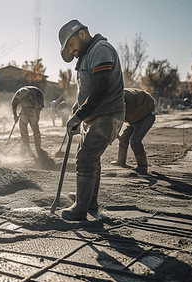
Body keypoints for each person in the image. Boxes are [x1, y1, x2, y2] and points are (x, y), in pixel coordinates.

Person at [58, 19, 125, 221]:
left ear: (82, 33)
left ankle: (80, 208)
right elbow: (88, 90)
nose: (72, 51)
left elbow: (100, 88)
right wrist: (77, 109)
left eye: (71, 45)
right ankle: (89, 201)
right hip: (94, 116)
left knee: (86, 157)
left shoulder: (100, 49)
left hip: (107, 115)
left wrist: (78, 116)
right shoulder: (87, 55)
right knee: (90, 157)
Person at [111, 88, 156, 174]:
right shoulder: (116, 97)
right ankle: (121, 161)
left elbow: (120, 117)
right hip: (135, 117)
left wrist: (115, 132)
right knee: (124, 138)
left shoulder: (125, 98)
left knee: (135, 140)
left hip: (146, 116)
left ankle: (142, 166)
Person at [11, 86, 45, 156]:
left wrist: (34, 117)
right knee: (22, 124)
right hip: (27, 107)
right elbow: (13, 104)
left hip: (38, 102)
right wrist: (15, 115)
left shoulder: (34, 95)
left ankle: (38, 147)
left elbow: (35, 108)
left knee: (34, 125)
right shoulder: (18, 94)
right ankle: (26, 146)